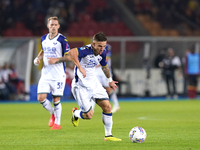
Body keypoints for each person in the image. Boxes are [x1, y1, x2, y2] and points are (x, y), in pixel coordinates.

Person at [48, 32, 121, 141]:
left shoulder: (103, 52)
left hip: (94, 83)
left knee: (107, 107)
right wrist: (80, 68)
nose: (102, 49)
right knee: (88, 115)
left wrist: (110, 80)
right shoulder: (86, 50)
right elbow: (72, 53)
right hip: (80, 86)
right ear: (93, 44)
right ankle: (76, 113)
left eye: (104, 46)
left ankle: (108, 135)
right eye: (99, 46)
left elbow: (104, 66)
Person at [33, 16, 70, 130]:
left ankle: (57, 124)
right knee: (40, 98)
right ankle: (53, 113)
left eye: (55, 25)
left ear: (58, 26)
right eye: (51, 25)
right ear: (48, 26)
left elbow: (69, 57)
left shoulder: (62, 40)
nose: (53, 27)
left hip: (58, 75)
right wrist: (38, 58)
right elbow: (44, 50)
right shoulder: (43, 38)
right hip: (45, 74)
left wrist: (56, 59)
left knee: (56, 99)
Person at [92, 43, 120, 113]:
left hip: (105, 71)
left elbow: (106, 60)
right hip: (96, 72)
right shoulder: (93, 47)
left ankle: (116, 105)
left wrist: (94, 65)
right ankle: (91, 108)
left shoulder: (107, 47)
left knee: (109, 89)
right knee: (93, 89)